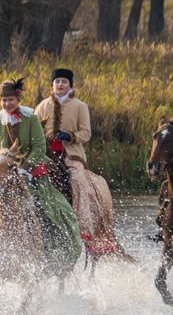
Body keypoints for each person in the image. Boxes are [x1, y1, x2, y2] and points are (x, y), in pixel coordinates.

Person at [0, 78, 82, 273]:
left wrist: (25, 168)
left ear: (18, 98)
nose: (7, 104)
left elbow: (39, 147)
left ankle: (51, 252)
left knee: (52, 209)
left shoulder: (30, 119)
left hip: (32, 174)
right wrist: (2, 163)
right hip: (5, 175)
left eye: (10, 100)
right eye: (3, 100)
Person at [33, 68, 125, 258]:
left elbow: (86, 133)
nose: (60, 85)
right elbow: (35, 131)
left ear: (70, 85)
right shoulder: (42, 105)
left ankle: (84, 225)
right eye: (57, 81)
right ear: (52, 84)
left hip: (71, 154)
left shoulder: (80, 106)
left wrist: (70, 136)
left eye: (64, 82)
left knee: (77, 180)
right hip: (47, 154)